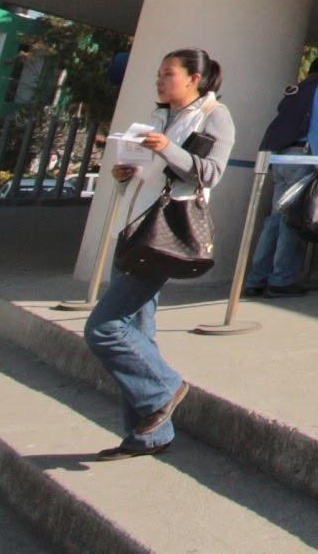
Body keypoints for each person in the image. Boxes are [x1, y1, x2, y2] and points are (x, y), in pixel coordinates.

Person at [85, 47, 233, 459]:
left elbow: (208, 173)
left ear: (194, 79)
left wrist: (167, 147)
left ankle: (166, 388)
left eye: (169, 73)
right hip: (135, 227)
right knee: (139, 332)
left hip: (164, 233)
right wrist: (127, 170)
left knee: (104, 327)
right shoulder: (158, 116)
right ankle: (147, 435)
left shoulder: (213, 116)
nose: (160, 80)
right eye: (159, 73)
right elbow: (151, 171)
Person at [243, 53, 318, 297]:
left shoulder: (297, 89)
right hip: (304, 156)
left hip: (282, 156)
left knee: (275, 218)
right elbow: (316, 125)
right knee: (293, 221)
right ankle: (281, 280)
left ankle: (257, 278)